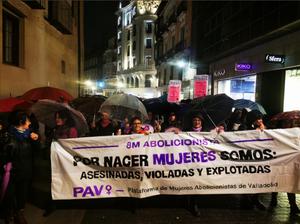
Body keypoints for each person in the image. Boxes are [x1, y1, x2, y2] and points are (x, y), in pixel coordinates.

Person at [1, 110, 39, 224]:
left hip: (26, 170)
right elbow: (3, 154)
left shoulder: (30, 134)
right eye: (27, 120)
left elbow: (37, 151)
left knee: (22, 194)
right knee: (9, 194)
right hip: (11, 172)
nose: (29, 122)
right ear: (20, 121)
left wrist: (36, 140)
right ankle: (9, 214)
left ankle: (19, 213)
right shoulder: (7, 135)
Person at [43, 109, 78, 217]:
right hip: (55, 160)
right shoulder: (55, 129)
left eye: (59, 117)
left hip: (66, 162)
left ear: (65, 119)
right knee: (54, 182)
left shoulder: (72, 130)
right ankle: (52, 204)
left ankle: (68, 202)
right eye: (56, 117)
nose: (56, 119)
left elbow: (73, 147)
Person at [269, 119, 300, 215]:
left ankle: (290, 204)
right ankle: (291, 205)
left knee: (284, 181)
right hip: (282, 161)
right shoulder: (284, 134)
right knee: (282, 181)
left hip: (287, 161)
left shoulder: (289, 133)